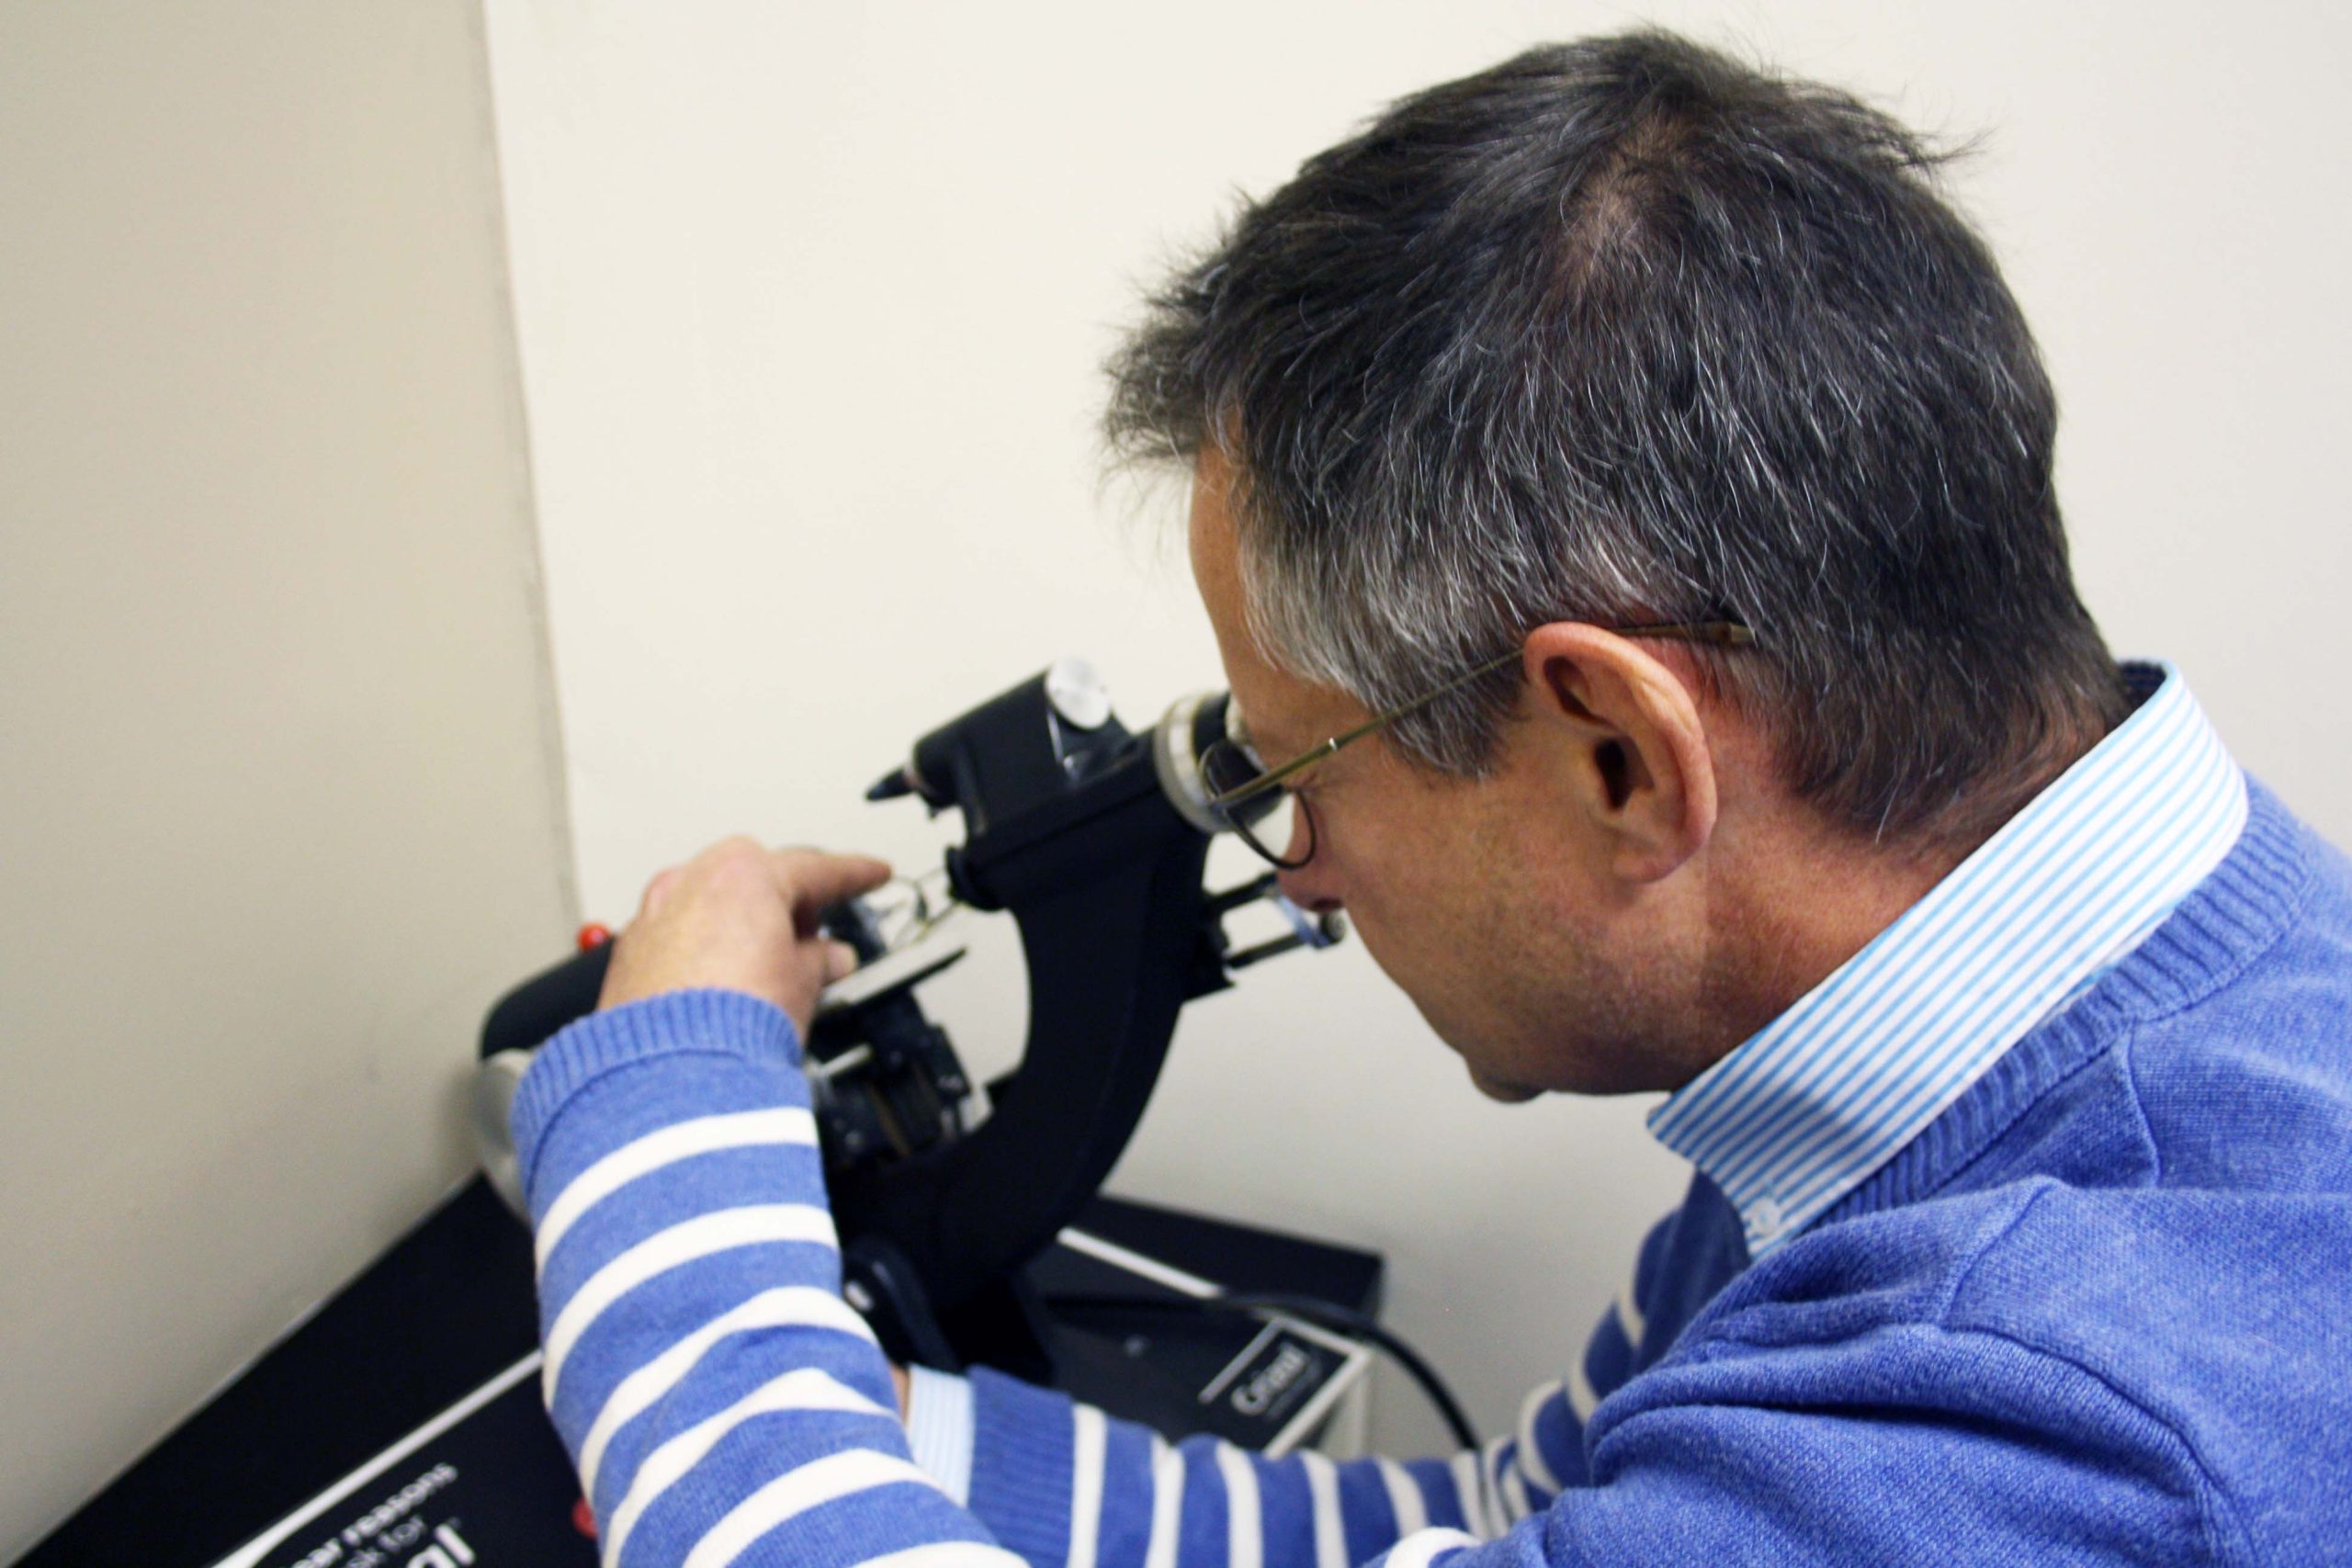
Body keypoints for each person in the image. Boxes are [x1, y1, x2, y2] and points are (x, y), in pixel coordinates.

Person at [506, 29, 2352, 1566]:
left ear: (1617, 754)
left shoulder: (2063, 1419)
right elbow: (1521, 1516)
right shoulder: (2007, 1031)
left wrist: (664, 1104)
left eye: (1297, 766)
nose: (1299, 868)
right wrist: (887, 1432)